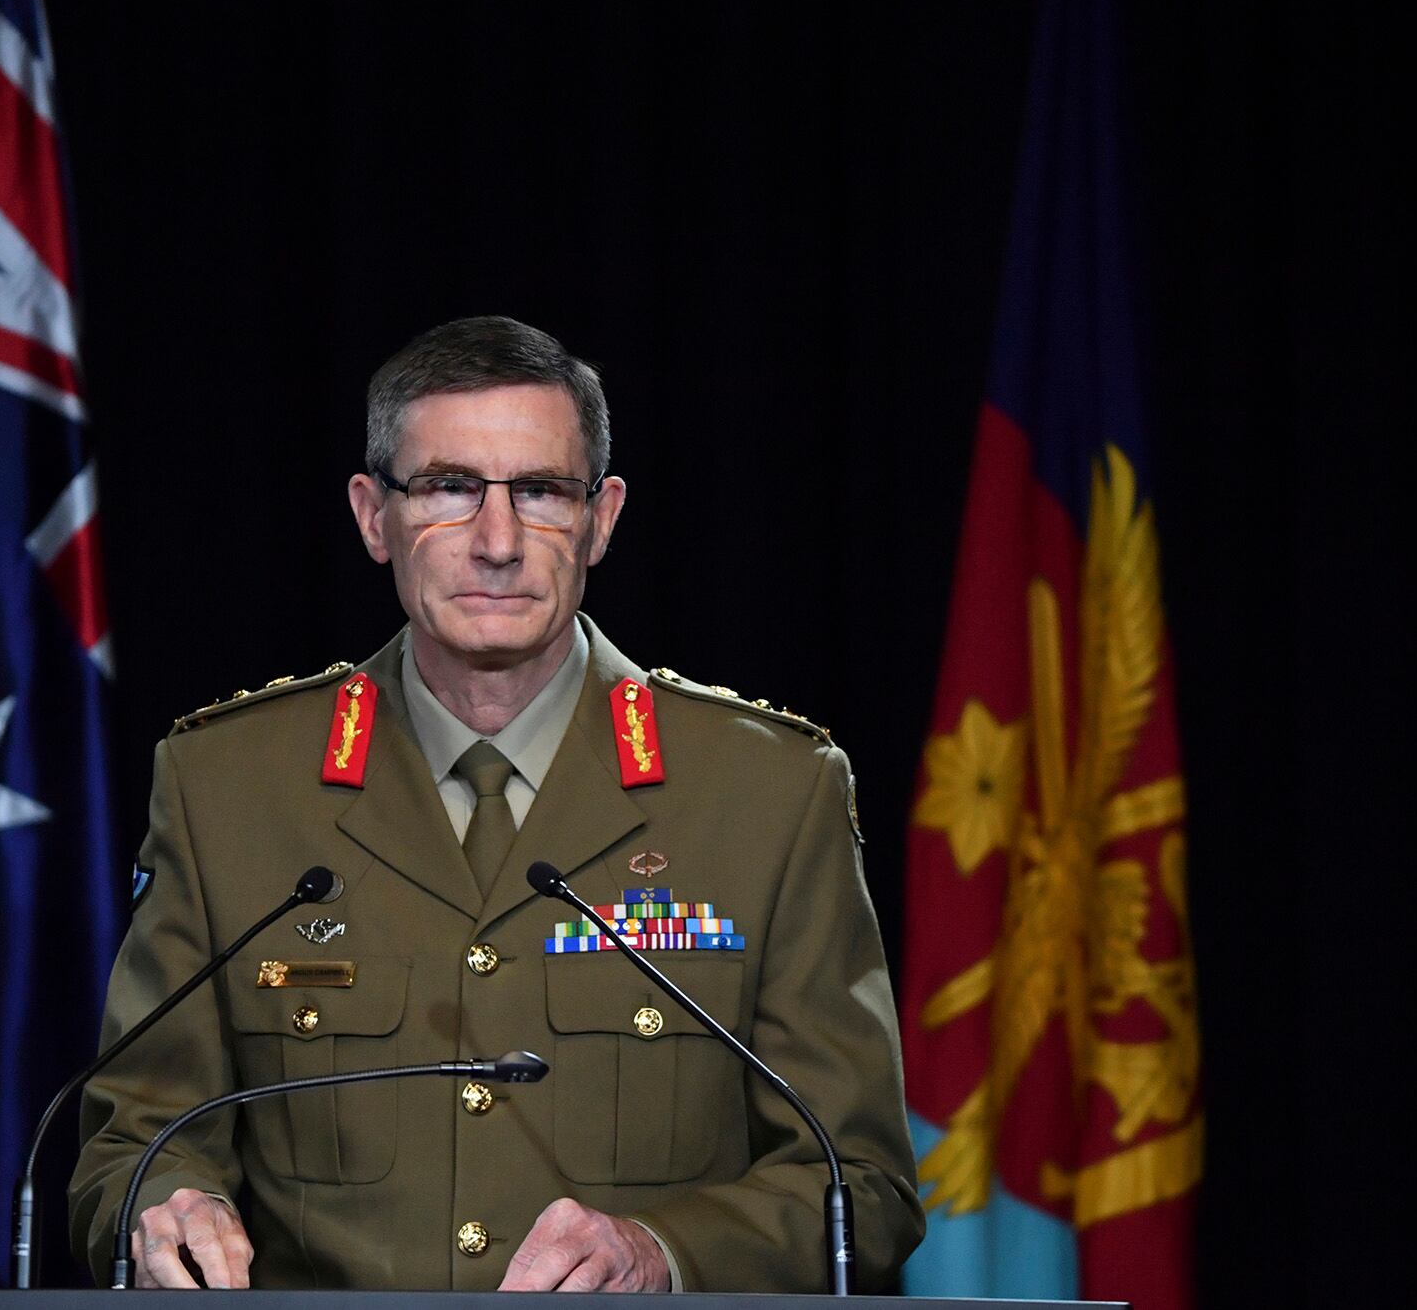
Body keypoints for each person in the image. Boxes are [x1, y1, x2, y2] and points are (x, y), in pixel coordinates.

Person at [68, 315, 923, 1292]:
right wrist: (167, 1200)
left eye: (542, 492)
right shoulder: (228, 787)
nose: (498, 541)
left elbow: (862, 1182)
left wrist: (666, 1253)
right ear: (369, 514)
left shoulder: (769, 793)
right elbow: (128, 1141)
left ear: (600, 516)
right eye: (447, 488)